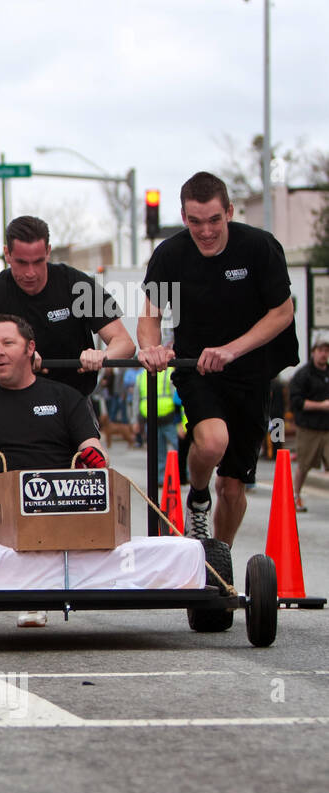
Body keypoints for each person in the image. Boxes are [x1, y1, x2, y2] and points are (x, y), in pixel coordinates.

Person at [138, 171, 298, 544]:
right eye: (195, 222)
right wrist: (151, 347)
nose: (205, 231)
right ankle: (196, 496)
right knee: (211, 442)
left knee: (232, 487)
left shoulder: (259, 247)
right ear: (183, 218)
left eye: (213, 220)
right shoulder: (171, 254)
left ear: (228, 211)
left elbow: (282, 312)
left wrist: (232, 349)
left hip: (251, 371)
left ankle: (218, 560)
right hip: (198, 368)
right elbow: (150, 315)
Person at [0, 315, 107, 627]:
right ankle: (32, 589)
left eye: (7, 344)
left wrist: (93, 458)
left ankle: (38, 588)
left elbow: (93, 447)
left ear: (30, 348)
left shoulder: (66, 398)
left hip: (58, 508)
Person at [0, 215, 135, 407]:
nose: (31, 272)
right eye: (22, 263)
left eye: (38, 261)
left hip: (73, 402)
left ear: (48, 251)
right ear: (7, 254)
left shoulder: (76, 284)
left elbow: (125, 343)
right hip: (16, 404)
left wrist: (102, 355)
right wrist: (19, 360)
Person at [289, 333, 329, 512]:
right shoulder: (303, 375)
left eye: (327, 351)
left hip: (327, 428)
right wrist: (321, 405)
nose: (324, 354)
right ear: (313, 352)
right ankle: (296, 495)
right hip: (309, 428)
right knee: (304, 465)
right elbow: (296, 401)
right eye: (321, 350)